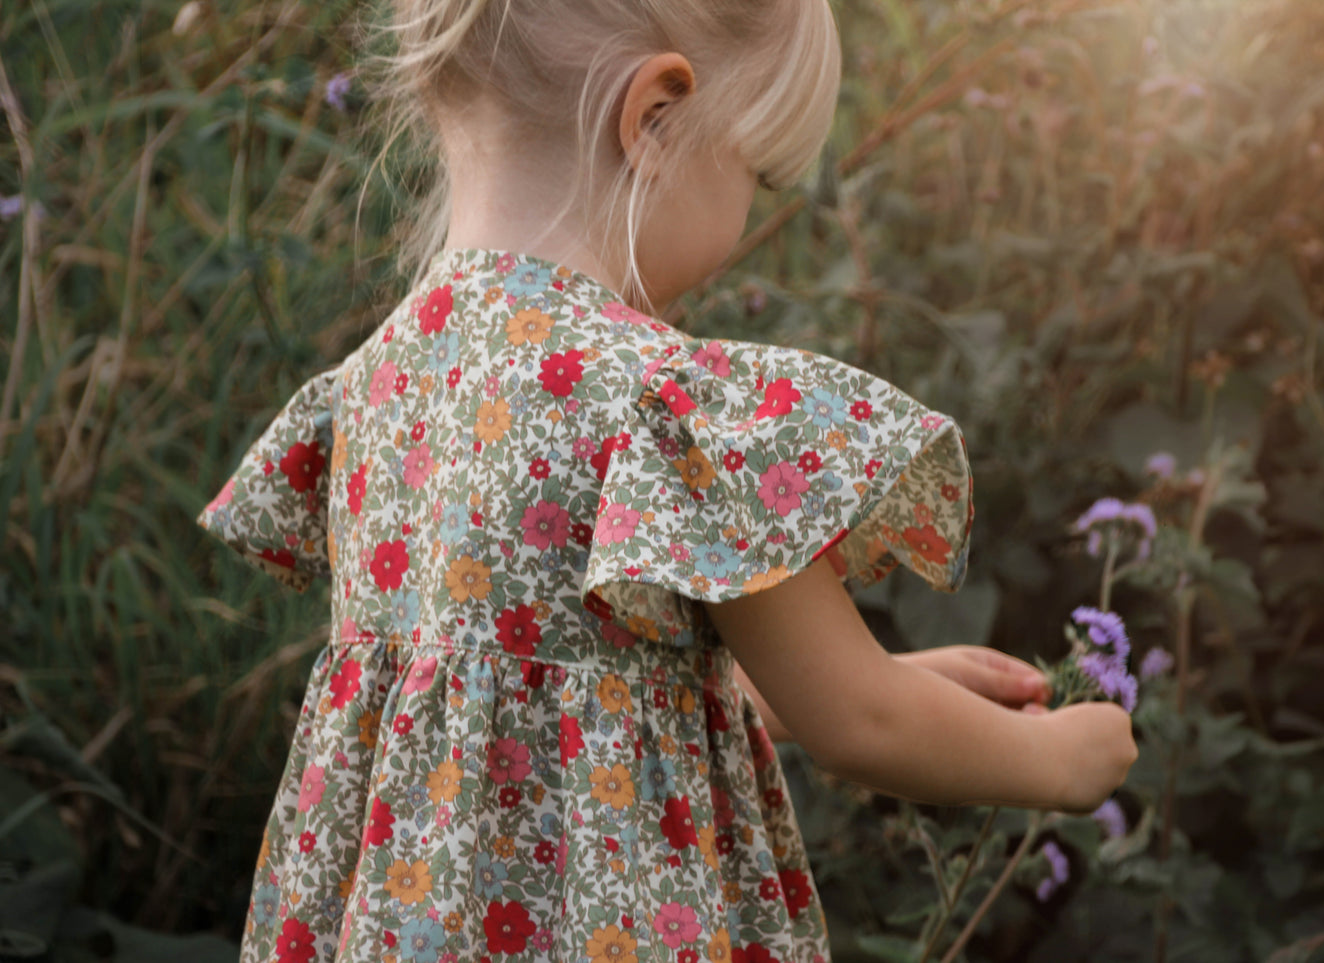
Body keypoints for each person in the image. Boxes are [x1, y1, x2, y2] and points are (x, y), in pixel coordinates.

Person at [194, 0, 1138, 960]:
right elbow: (860, 717)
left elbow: (557, 695)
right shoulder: (656, 400)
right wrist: (1057, 759)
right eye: (754, 176)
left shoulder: (372, 389)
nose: (744, 216)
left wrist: (886, 678)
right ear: (655, 118)